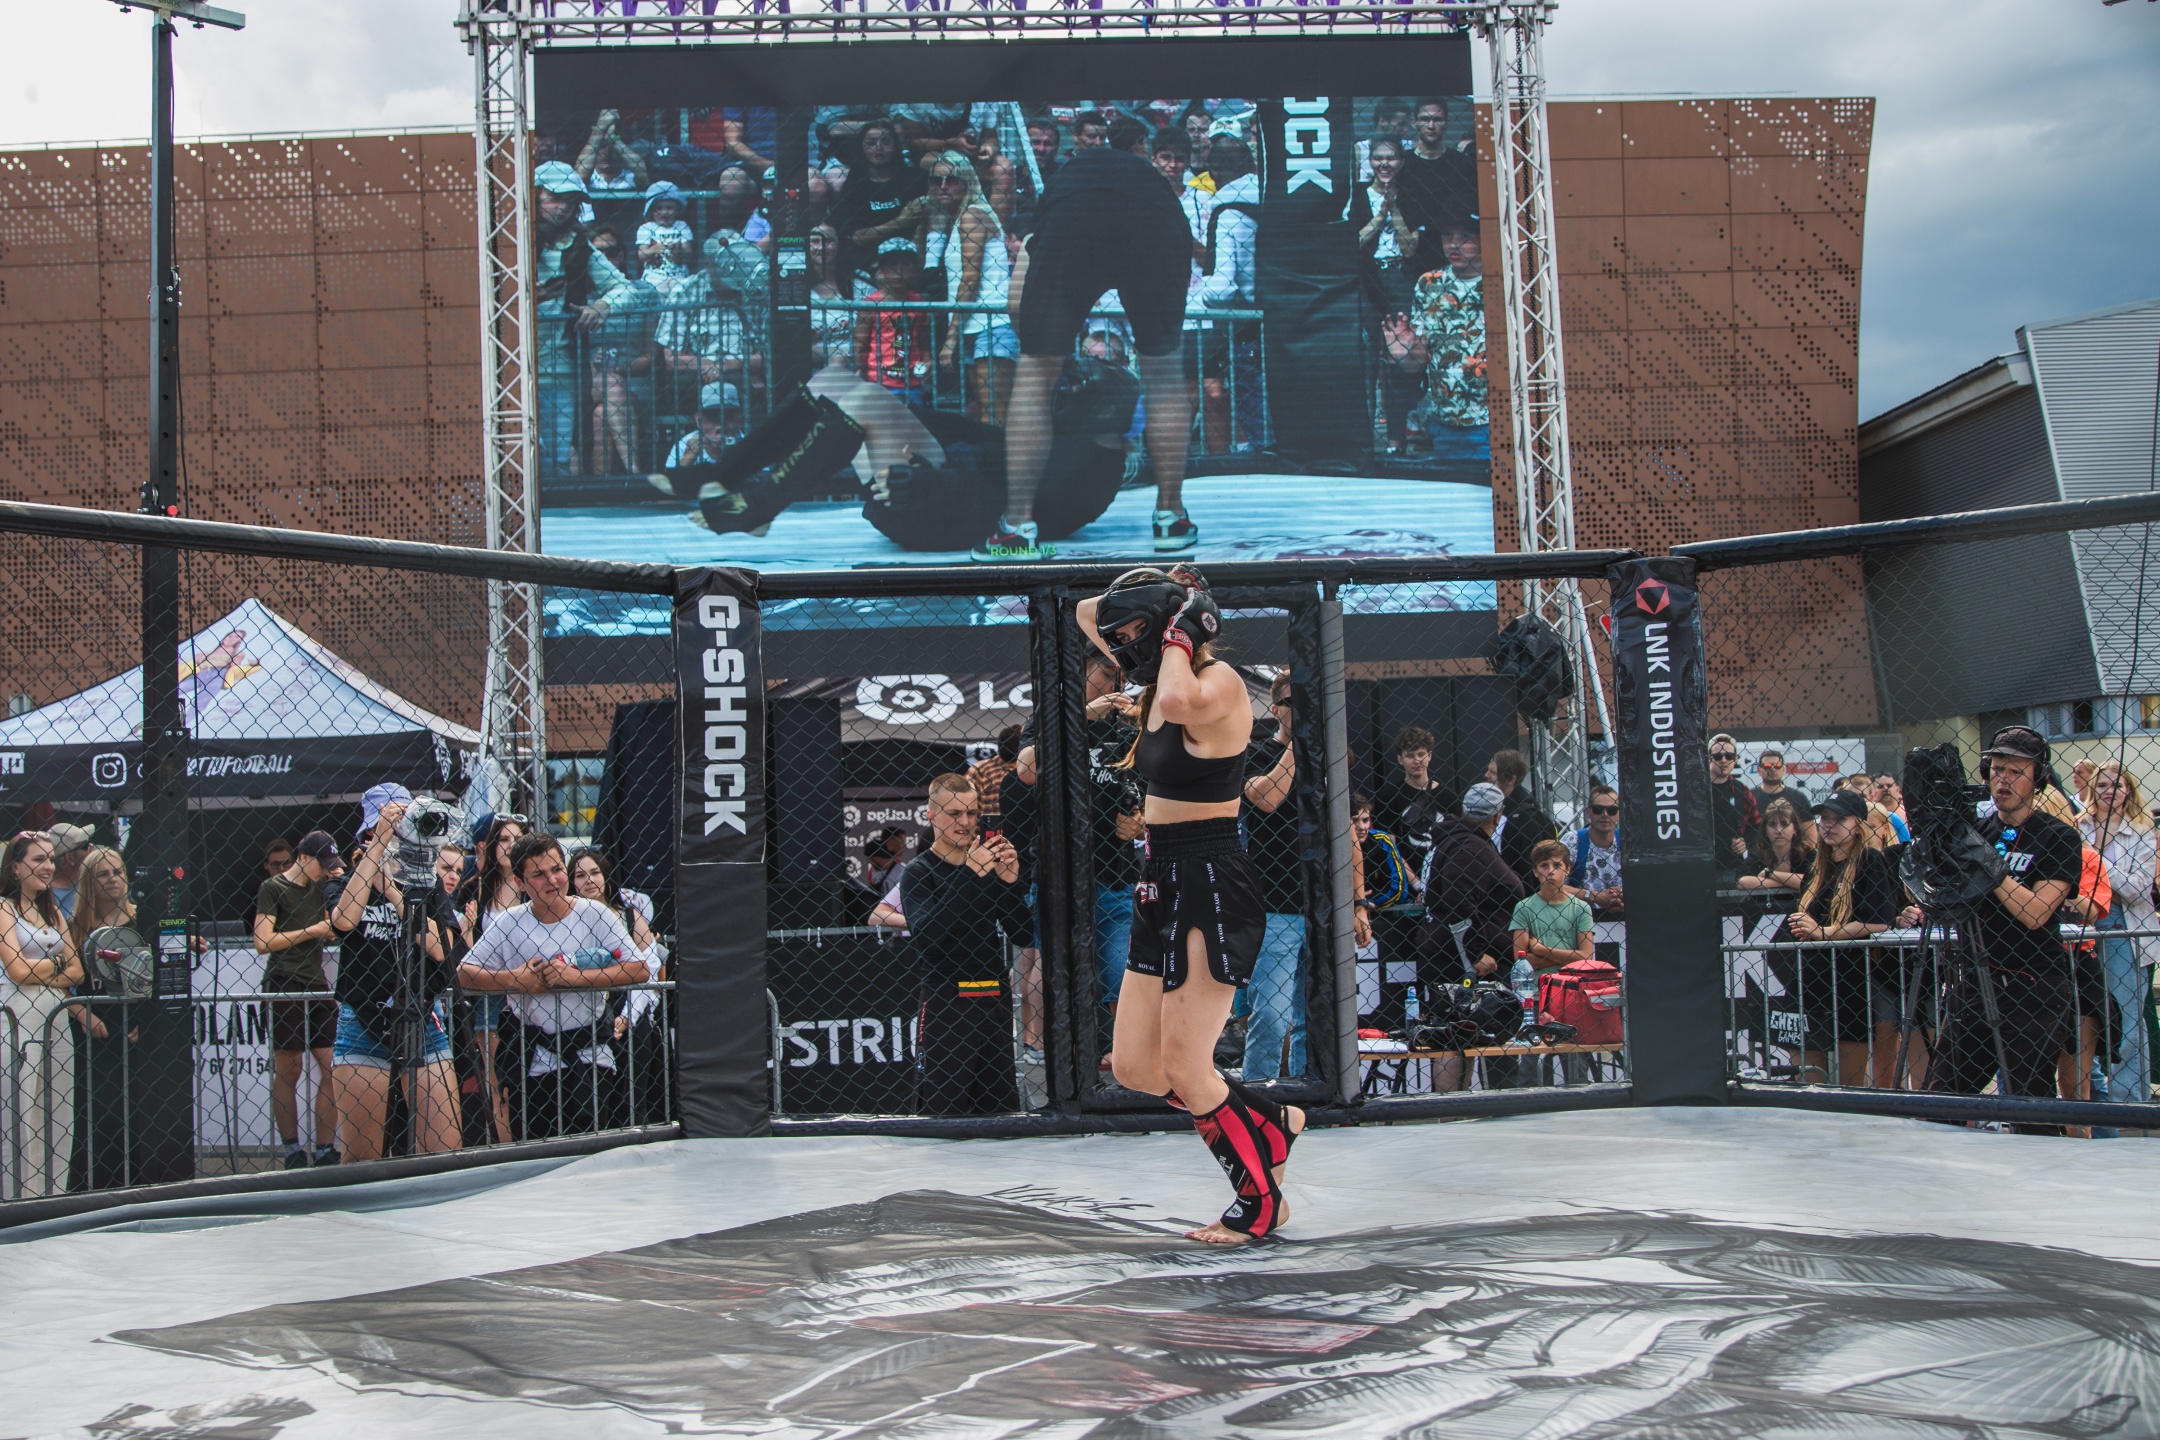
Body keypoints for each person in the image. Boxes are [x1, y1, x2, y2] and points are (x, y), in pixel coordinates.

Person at [1082, 568, 1304, 1244]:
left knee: (1186, 1066)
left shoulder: (1216, 683)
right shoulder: (1156, 679)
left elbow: (1178, 699)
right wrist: (1169, 594)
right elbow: (1089, 612)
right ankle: (1270, 1120)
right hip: (1158, 878)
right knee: (1134, 1067)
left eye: (1136, 631)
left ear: (1169, 629)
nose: (1124, 644)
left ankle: (1260, 1200)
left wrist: (1183, 623)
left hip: (1208, 878)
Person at [978, 123, 1199, 562]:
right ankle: (1170, 517)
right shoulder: (1150, 188)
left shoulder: (1061, 191)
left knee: (1035, 373)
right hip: (1153, 220)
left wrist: (1043, 346)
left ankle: (1017, 528)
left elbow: (1016, 302)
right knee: (1163, 370)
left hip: (1076, 217)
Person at [664, 359, 1137, 552]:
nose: (1061, 389)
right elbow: (990, 444)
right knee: (833, 380)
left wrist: (937, 477)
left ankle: (759, 507)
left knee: (867, 402)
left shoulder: (1093, 466)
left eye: (1076, 385)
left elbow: (1008, 487)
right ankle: (724, 475)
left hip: (938, 513)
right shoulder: (1071, 439)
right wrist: (911, 417)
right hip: (927, 497)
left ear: (1105, 409)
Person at [1926, 727, 2081, 1134]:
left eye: (2015, 771)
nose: (2003, 779)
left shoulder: (2059, 837)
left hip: (2033, 985)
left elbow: (2036, 912)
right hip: (1978, 979)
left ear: (2038, 777)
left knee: (2029, 1104)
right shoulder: (1977, 832)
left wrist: (1989, 867)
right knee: (1941, 1098)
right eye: (1996, 769)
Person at [458, 833, 648, 1140]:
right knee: (535, 1148)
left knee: (591, 1148)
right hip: (534, 1059)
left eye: (557, 869)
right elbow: (463, 973)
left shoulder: (594, 913)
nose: (553, 880)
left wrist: (577, 979)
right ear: (520, 883)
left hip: (590, 1055)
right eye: (538, 874)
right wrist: (513, 980)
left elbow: (639, 968)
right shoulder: (509, 922)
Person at [327, 788, 463, 1162]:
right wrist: (378, 850)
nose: (395, 835)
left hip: (422, 1015)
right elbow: (343, 921)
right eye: (387, 826)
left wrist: (394, 891)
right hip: (364, 1018)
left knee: (444, 1153)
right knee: (362, 1158)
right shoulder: (344, 881)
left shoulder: (426, 885)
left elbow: (441, 949)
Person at [899, 775, 1030, 1117]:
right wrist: (971, 873)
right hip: (946, 997)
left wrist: (1010, 882)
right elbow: (928, 937)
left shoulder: (987, 867)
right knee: (941, 1108)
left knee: (1001, 1108)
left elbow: (1022, 934)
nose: (966, 822)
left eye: (972, 813)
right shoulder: (919, 871)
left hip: (992, 993)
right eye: (954, 813)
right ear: (930, 815)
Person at [532, 160, 649, 479]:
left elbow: (626, 289)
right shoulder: (507, 241)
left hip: (560, 366)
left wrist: (601, 307)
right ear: (535, 195)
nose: (563, 208)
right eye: (554, 198)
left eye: (571, 201)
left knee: (557, 454)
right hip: (513, 365)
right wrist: (527, 299)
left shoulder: (580, 246)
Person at [1783, 789, 1900, 1088]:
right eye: (1824, 818)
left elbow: (1879, 921)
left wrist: (1823, 932)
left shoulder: (1870, 860)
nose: (1829, 825)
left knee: (1850, 1085)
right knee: (1809, 1081)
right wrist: (1804, 927)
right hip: (1809, 978)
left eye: (1839, 819)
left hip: (1849, 980)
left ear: (1857, 825)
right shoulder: (1816, 862)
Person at [1, 830, 85, 1198]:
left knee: (58, 1111)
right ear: (16, 867)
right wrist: (56, 965)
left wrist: (43, 968)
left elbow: (78, 972)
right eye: (38, 859)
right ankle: (16, 1199)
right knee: (19, 1111)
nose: (48, 866)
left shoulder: (52, 912)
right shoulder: (4, 908)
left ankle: (52, 1196)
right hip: (17, 1015)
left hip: (56, 1014)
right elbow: (16, 971)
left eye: (51, 858)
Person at [254, 829, 342, 1169]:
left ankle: (324, 1148)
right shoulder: (273, 888)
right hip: (284, 982)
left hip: (316, 983)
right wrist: (313, 931)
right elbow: (263, 941)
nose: (325, 870)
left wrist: (337, 884)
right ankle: (292, 1149)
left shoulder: (323, 886)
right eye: (322, 864)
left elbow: (336, 924)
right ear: (304, 858)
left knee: (332, 1066)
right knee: (289, 1070)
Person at [569, 847, 669, 1125]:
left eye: (595, 872)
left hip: (630, 1009)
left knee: (633, 1101)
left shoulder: (629, 916)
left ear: (606, 876)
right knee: (596, 1104)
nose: (589, 880)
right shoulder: (568, 921)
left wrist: (627, 1017)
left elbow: (650, 971)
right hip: (585, 1017)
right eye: (580, 875)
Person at [1240, 673, 1305, 1082]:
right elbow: (1266, 798)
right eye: (1296, 703)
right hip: (1276, 903)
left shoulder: (1333, 757)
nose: (1306, 710)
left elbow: (1350, 830)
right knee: (1271, 1014)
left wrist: (1357, 903)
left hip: (1323, 903)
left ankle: (1312, 1090)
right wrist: (1299, 746)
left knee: (1316, 1016)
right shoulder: (1256, 752)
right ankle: (1257, 1093)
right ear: (1277, 709)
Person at [2081, 763, 2156, 1112]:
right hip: (2083, 921)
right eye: (2102, 785)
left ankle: (2128, 1104)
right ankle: (2093, 1096)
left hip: (2124, 925)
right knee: (2086, 1016)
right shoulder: (2078, 825)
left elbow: (2137, 889)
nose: (2110, 791)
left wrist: (2093, 861)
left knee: (2127, 1018)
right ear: (2092, 789)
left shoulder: (2142, 830)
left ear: (2129, 790)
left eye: (2117, 785)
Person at [923, 153, 1017, 425]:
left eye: (951, 179)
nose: (943, 186)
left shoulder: (972, 216)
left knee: (994, 417)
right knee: (985, 414)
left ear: (966, 181)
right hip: (975, 324)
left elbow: (971, 279)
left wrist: (950, 339)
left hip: (993, 323)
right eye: (936, 180)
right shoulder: (960, 218)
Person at [458, 812, 529, 1145]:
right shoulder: (476, 888)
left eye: (517, 839)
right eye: (503, 839)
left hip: (531, 986)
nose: (510, 845)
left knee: (524, 1072)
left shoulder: (535, 885)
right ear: (490, 846)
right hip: (490, 987)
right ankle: (503, 1144)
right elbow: (464, 948)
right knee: (494, 1074)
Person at [1350, 136, 1423, 454]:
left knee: (1397, 360)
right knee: (1365, 361)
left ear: (1401, 162)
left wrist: (1394, 209)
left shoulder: (1410, 195)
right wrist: (1379, 216)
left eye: (1391, 158)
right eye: (1378, 158)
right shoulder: (1358, 195)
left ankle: (1396, 441)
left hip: (1399, 275)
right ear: (1370, 162)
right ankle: (1364, 441)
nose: (1384, 164)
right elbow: (1354, 242)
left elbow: (1410, 248)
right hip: (1368, 278)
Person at [1194, 133, 1262, 463]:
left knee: (1256, 412)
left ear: (1214, 174)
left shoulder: (1226, 209)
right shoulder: (1275, 196)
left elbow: (1222, 286)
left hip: (1248, 323)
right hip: (1290, 314)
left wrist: (1201, 296)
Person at [831, 117, 931, 284]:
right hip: (870, 263)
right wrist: (900, 222)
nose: (879, 147)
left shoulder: (914, 179)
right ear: (862, 148)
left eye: (885, 142)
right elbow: (858, 237)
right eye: (871, 143)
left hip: (910, 258)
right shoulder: (855, 187)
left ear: (895, 145)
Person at [855, 238, 933, 404]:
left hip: (912, 381)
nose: (899, 271)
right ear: (881, 268)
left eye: (905, 265)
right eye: (892, 264)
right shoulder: (870, 304)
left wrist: (927, 361)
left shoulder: (918, 301)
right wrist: (860, 375)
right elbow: (860, 346)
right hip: (879, 381)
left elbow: (923, 339)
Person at [1394, 96, 1477, 251]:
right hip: (1412, 249)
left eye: (1437, 119)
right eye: (1425, 119)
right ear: (1414, 122)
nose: (1431, 126)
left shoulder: (1463, 164)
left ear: (1447, 122)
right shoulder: (1402, 164)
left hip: (1453, 247)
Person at [1513, 838, 1596, 975]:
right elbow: (1521, 961)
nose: (1551, 871)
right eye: (1544, 865)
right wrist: (1570, 957)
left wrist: (1541, 950)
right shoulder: (1523, 907)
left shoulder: (1581, 908)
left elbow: (1586, 958)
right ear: (1535, 871)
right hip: (1537, 986)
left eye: (1557, 865)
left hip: (1572, 985)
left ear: (1567, 869)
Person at [1486, 748, 1556, 890]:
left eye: (1493, 772)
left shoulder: (1526, 818)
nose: (1486, 775)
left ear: (1511, 779)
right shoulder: (1499, 808)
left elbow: (1530, 867)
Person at [1707, 734, 1761, 886]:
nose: (1723, 760)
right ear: (1709, 758)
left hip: (1733, 866)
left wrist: (1745, 842)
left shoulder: (1741, 790)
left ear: (1735, 759)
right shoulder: (1697, 789)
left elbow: (1756, 826)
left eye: (1729, 756)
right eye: (1718, 756)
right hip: (1702, 865)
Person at [1567, 784, 1624, 920]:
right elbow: (1552, 886)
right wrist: (1594, 896)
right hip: (1580, 919)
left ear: (1619, 814)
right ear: (1588, 812)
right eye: (1598, 809)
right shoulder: (1572, 841)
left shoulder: (1628, 842)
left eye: (1612, 810)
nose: (1605, 815)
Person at [663, 383, 745, 469]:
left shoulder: (748, 444)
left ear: (740, 419)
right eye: (712, 417)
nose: (720, 424)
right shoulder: (684, 445)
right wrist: (688, 457)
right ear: (698, 420)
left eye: (728, 416)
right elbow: (670, 477)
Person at [635, 181, 695, 297]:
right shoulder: (646, 228)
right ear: (651, 210)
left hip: (679, 276)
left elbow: (688, 252)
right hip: (654, 277)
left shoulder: (682, 226)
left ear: (677, 209)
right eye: (659, 208)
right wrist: (655, 249)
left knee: (681, 292)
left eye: (669, 208)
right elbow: (642, 255)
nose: (664, 212)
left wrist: (678, 250)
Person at [1751, 748, 1817, 849]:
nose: (1772, 769)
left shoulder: (1798, 797)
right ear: (1759, 770)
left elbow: (1811, 837)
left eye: (1777, 766)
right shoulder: (1749, 797)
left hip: (1792, 856)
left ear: (1783, 770)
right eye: (1767, 766)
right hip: (1756, 855)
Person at [45, 823, 93, 921]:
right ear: (70, 858)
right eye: (85, 846)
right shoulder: (42, 894)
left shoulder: (95, 883)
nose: (91, 847)